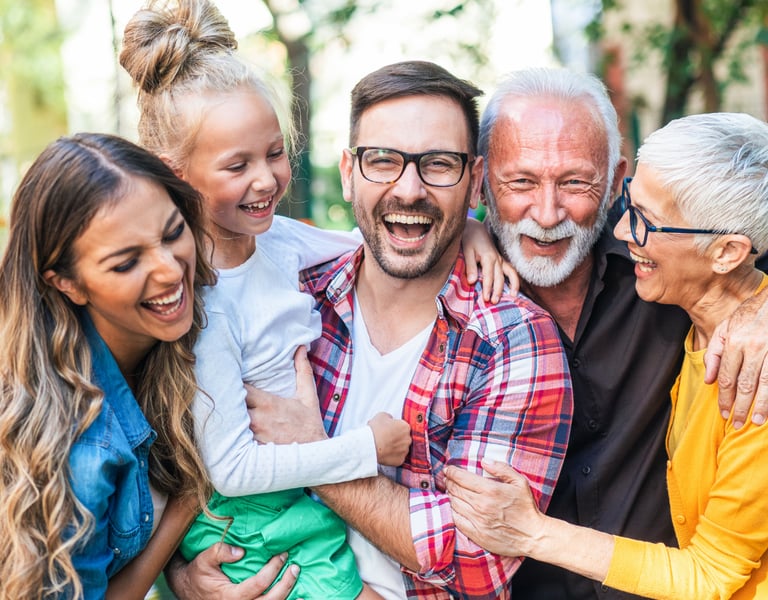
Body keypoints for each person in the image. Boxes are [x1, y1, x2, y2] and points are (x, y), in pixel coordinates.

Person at [120, 4, 508, 598]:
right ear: (176, 174)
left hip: (294, 504)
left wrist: (473, 226)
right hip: (244, 513)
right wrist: (362, 450)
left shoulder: (275, 241)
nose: (267, 179)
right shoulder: (200, 302)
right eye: (237, 165)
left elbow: (379, 234)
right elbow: (230, 469)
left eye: (274, 154)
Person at [207, 60, 574, 600]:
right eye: (383, 161)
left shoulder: (511, 339)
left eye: (439, 165)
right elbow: (189, 447)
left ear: (473, 181)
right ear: (349, 171)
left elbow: (475, 562)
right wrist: (187, 575)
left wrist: (313, 450)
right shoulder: (291, 294)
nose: (409, 189)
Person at [459, 66, 768, 599]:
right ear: (482, 179)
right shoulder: (451, 290)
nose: (548, 212)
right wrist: (463, 227)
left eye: (576, 182)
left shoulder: (671, 273)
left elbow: (713, 574)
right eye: (521, 182)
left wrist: (762, 309)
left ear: (611, 177)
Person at [0, 132, 213, 599]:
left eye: (173, 232)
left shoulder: (196, 320)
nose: (171, 270)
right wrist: (184, 508)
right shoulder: (79, 449)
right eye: (126, 263)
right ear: (68, 284)